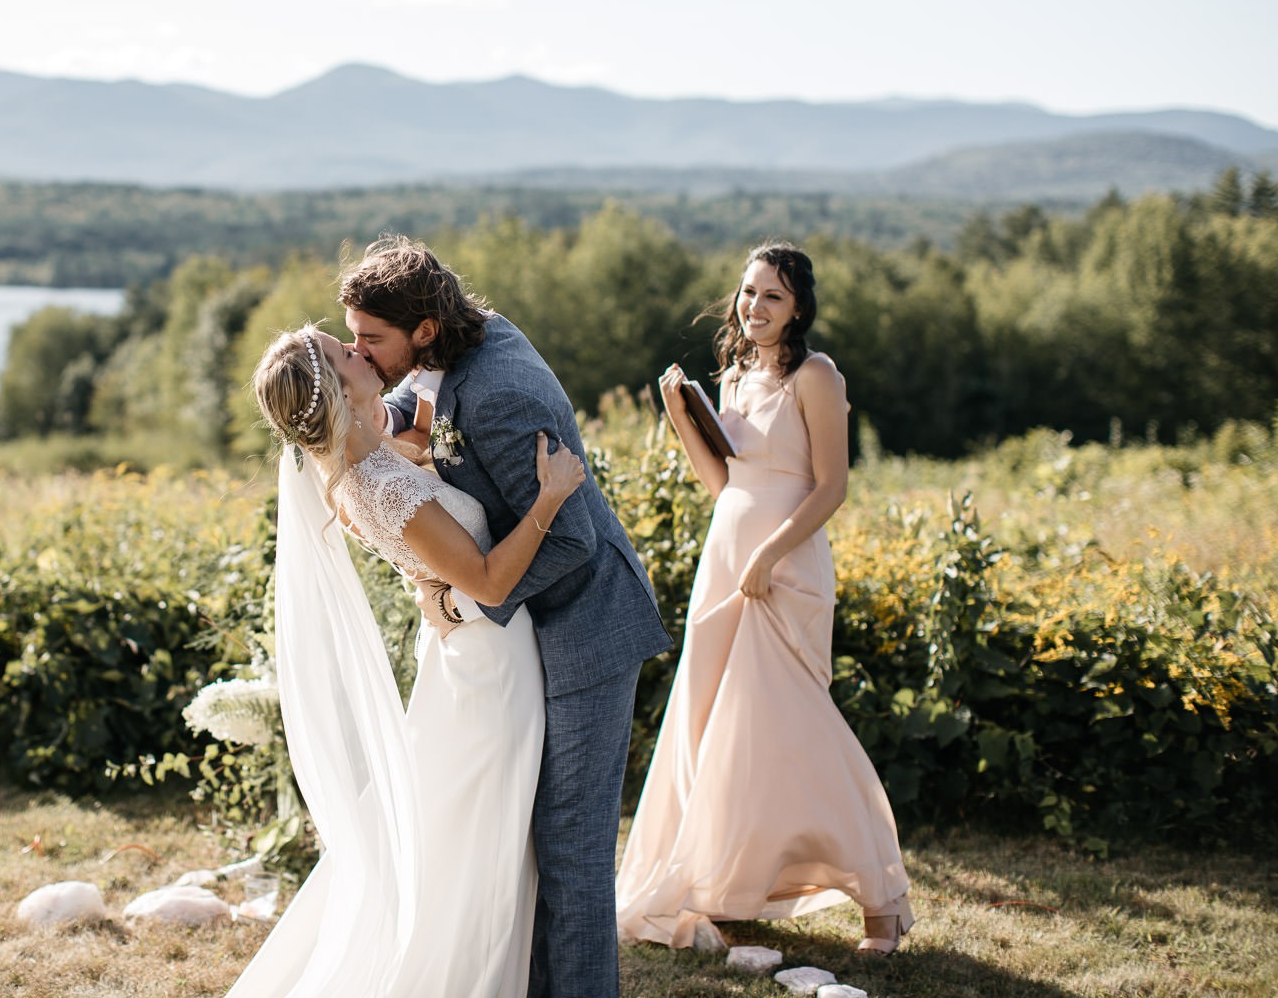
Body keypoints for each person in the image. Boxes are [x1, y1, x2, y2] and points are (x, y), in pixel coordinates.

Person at [344, 237, 675, 998]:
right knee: (525, 840)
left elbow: (570, 539)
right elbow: (412, 399)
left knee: (570, 849)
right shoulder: (454, 347)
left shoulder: (500, 394)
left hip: (585, 626)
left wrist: (462, 599)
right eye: (351, 338)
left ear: (425, 328)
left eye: (371, 339)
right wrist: (369, 409)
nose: (360, 351)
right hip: (526, 638)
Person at [232, 324, 585, 998]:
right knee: (485, 833)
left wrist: (422, 398)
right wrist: (550, 497)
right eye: (343, 353)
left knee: (465, 825)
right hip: (490, 666)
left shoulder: (363, 463)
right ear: (338, 392)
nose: (358, 349)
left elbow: (419, 464)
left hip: (469, 654)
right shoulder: (375, 485)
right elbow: (488, 583)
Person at [615, 242, 913, 955]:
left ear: (798, 308)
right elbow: (724, 484)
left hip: (784, 566)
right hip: (726, 556)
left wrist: (768, 555)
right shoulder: (735, 374)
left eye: (772, 295)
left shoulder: (817, 375)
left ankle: (883, 901)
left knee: (794, 725)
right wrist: (680, 414)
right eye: (749, 292)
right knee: (719, 725)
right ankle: (722, 886)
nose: (755, 306)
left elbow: (831, 487)